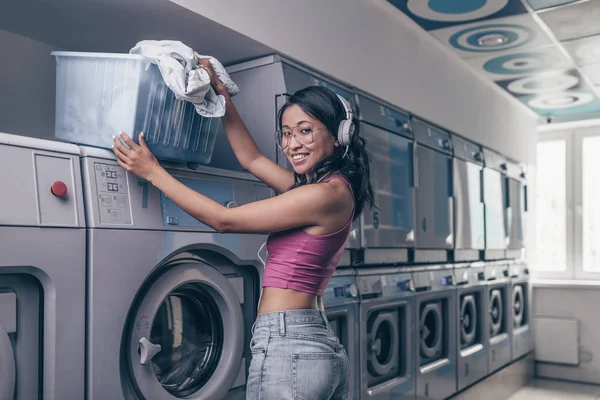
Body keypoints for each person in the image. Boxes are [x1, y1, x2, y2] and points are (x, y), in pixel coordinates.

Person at [112, 59, 374, 399]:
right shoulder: (327, 189)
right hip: (312, 342)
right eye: (287, 133)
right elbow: (252, 159)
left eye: (306, 130)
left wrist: (152, 172)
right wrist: (222, 100)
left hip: (288, 343)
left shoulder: (322, 195)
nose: (293, 144)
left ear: (340, 135)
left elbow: (224, 220)